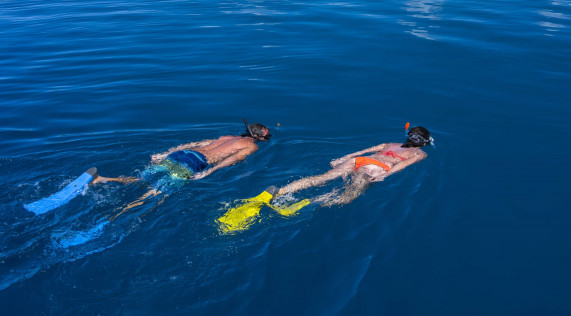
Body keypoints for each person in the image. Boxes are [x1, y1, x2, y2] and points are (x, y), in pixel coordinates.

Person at [92, 120, 271, 219]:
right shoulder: (251, 146)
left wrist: (165, 153)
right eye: (266, 135)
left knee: (140, 178)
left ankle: (102, 179)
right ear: (257, 137)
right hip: (196, 162)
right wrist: (209, 171)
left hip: (183, 154)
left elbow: (194, 143)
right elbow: (234, 158)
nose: (268, 137)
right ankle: (119, 213)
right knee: (155, 193)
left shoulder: (226, 136)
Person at [272, 126, 433, 207]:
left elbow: (365, 150)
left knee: (322, 178)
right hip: (377, 167)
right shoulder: (420, 154)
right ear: (424, 143)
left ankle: (280, 191)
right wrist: (385, 175)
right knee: (348, 196)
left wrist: (345, 157)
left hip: (359, 160)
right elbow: (404, 164)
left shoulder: (390, 143)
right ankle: (311, 202)